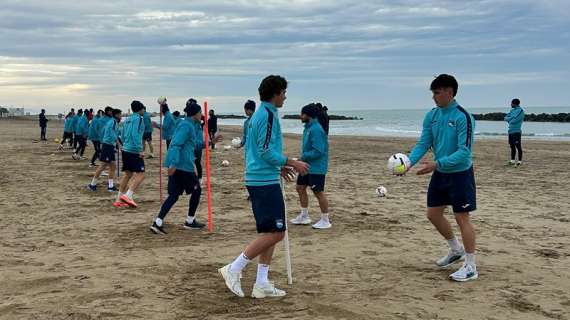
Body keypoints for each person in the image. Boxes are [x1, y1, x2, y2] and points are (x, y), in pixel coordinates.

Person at [218, 75, 309, 298]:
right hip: (262, 181)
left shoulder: (263, 115)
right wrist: (290, 161)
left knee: (271, 231)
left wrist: (278, 167)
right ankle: (234, 268)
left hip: (263, 176)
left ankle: (261, 283)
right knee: (277, 232)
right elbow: (265, 150)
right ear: (276, 93)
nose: (285, 97)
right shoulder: (265, 116)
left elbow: (257, 150)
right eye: (284, 93)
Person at [406, 74, 478, 282]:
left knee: (462, 218)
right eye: (433, 93)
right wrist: (409, 163)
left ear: (449, 91)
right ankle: (456, 250)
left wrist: (437, 164)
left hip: (460, 174)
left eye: (437, 93)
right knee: (432, 214)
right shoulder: (432, 115)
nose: (434, 97)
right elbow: (424, 142)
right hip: (441, 173)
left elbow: (464, 152)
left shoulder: (463, 117)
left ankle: (471, 266)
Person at [150, 101, 208, 234]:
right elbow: (176, 145)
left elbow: (195, 144)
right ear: (195, 114)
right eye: (200, 112)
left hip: (179, 165)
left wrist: (209, 142)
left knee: (174, 195)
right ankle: (190, 221)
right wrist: (174, 164)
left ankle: (158, 222)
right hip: (182, 166)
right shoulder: (186, 126)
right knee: (197, 190)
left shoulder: (188, 125)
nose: (201, 115)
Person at [290, 103, 330, 229]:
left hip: (317, 167)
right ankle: (304, 216)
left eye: (302, 114)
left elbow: (319, 151)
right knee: (300, 187)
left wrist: (302, 157)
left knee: (318, 192)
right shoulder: (308, 128)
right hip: (306, 165)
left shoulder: (316, 129)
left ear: (308, 115)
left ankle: (325, 220)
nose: (300, 116)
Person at [113, 101, 146, 208]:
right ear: (140, 109)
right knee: (141, 174)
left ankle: (118, 200)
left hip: (126, 149)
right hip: (133, 150)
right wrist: (140, 149)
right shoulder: (139, 119)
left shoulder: (127, 119)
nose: (144, 111)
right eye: (143, 109)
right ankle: (128, 195)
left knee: (128, 175)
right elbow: (135, 134)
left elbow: (122, 135)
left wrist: (125, 145)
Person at [87, 108, 122, 192]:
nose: (121, 116)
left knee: (112, 166)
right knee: (103, 166)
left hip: (109, 145)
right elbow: (112, 134)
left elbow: (115, 133)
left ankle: (110, 186)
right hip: (107, 146)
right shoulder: (113, 122)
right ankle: (93, 184)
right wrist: (118, 144)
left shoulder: (113, 122)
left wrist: (118, 142)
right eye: (120, 114)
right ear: (116, 115)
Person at [504, 98, 525, 166]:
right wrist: (510, 119)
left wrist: (510, 120)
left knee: (518, 146)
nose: (510, 104)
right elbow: (505, 117)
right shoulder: (512, 110)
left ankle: (519, 161)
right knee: (512, 146)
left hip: (516, 131)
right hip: (510, 131)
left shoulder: (520, 111)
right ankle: (512, 161)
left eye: (511, 103)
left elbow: (515, 120)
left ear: (514, 103)